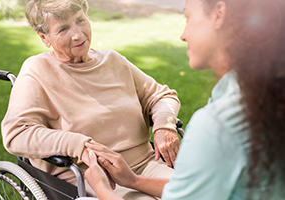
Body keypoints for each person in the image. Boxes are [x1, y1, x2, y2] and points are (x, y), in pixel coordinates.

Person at [84, 0, 285, 199]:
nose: (183, 35)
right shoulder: (255, 93)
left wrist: (102, 189)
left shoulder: (218, 125)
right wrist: (132, 181)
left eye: (187, 17)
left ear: (219, 14)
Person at [1, 0, 181, 199]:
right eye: (63, 29)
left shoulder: (113, 61)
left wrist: (164, 125)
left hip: (148, 165)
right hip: (93, 177)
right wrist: (78, 144)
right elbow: (16, 133)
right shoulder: (37, 70)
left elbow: (161, 96)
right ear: (44, 37)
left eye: (80, 20)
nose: (78, 34)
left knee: (200, 192)